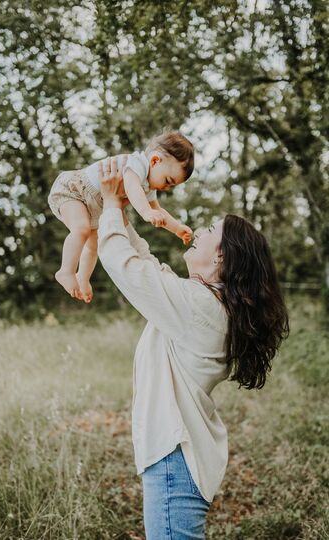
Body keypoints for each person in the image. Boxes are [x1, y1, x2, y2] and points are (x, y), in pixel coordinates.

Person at [96, 156, 289, 539]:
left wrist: (110, 205)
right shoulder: (208, 304)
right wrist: (135, 208)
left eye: (211, 228)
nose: (199, 229)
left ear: (222, 256)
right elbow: (147, 264)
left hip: (175, 455)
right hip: (179, 455)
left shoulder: (201, 308)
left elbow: (126, 267)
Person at [47, 131, 194, 303]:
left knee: (93, 246)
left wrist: (176, 228)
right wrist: (146, 212)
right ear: (155, 161)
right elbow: (132, 188)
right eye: (168, 181)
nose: (167, 188)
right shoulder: (136, 164)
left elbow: (157, 208)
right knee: (81, 229)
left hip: (96, 206)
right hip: (74, 191)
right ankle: (66, 270)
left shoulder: (148, 185)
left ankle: (83, 278)